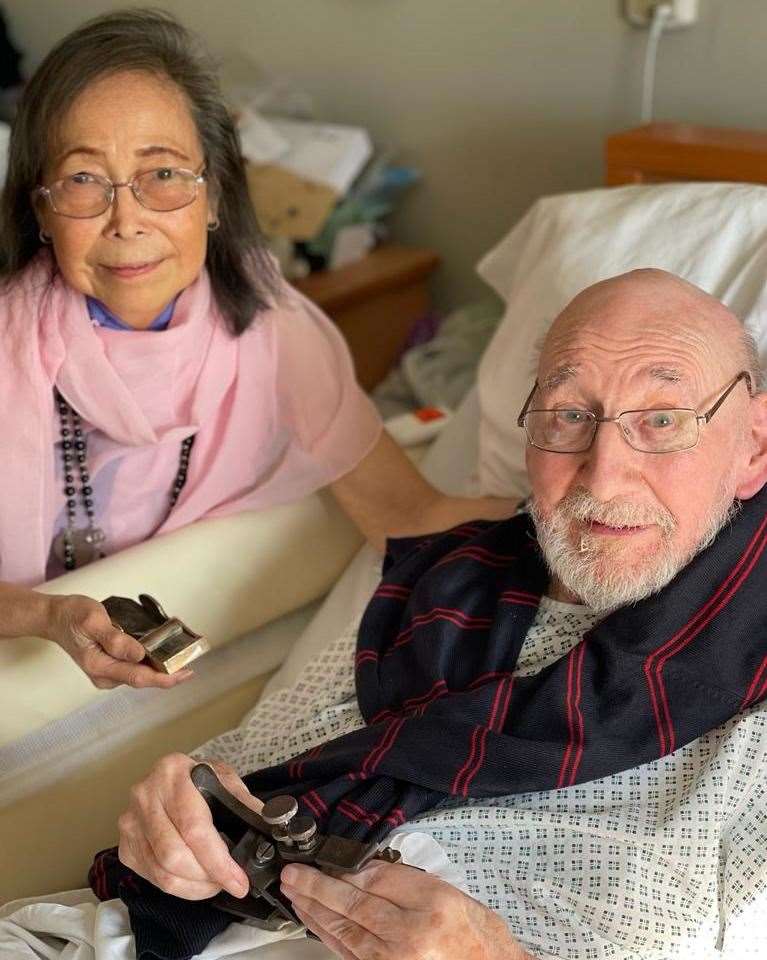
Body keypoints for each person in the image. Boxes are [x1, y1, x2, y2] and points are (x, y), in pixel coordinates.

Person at [100, 269, 767, 960]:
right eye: (569, 416)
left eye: (660, 420)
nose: (602, 476)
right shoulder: (444, 591)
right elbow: (242, 776)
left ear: (753, 445)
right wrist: (169, 819)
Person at [0, 9, 513, 692]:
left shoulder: (274, 333)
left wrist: (566, 524)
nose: (127, 222)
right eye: (84, 181)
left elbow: (408, 516)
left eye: (162, 175)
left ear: (212, 194)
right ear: (40, 210)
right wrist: (48, 615)